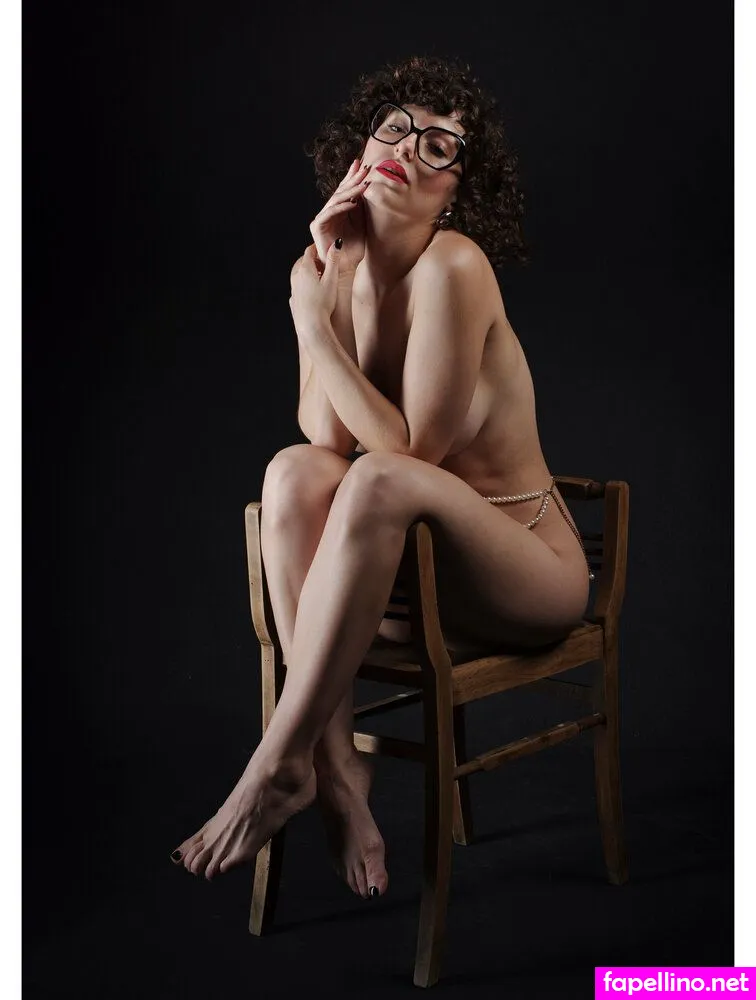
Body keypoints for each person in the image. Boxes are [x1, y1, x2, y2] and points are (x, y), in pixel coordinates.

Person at [169, 54, 592, 898]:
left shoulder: (454, 266)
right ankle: (335, 773)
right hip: (415, 585)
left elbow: (408, 455)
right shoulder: (349, 267)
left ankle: (276, 760)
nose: (408, 147)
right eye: (395, 128)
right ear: (358, 152)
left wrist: (307, 320)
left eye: (440, 146)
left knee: (376, 480)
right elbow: (324, 432)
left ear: (457, 192)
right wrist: (331, 290)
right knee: (295, 471)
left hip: (525, 571)